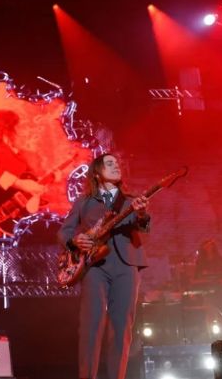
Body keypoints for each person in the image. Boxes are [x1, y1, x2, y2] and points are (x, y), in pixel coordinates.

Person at [56, 153, 150, 379]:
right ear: (97, 174)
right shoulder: (84, 202)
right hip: (95, 267)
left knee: (121, 327)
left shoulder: (130, 200)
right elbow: (64, 231)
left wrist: (142, 214)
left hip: (126, 265)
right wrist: (75, 240)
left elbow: (144, 233)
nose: (116, 166)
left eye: (117, 164)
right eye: (110, 164)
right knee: (91, 325)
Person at [0, 109, 45, 198]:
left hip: (21, 200)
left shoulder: (15, 149)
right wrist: (19, 183)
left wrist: (45, 181)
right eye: (15, 126)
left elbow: (29, 176)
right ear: (4, 127)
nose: (18, 130)